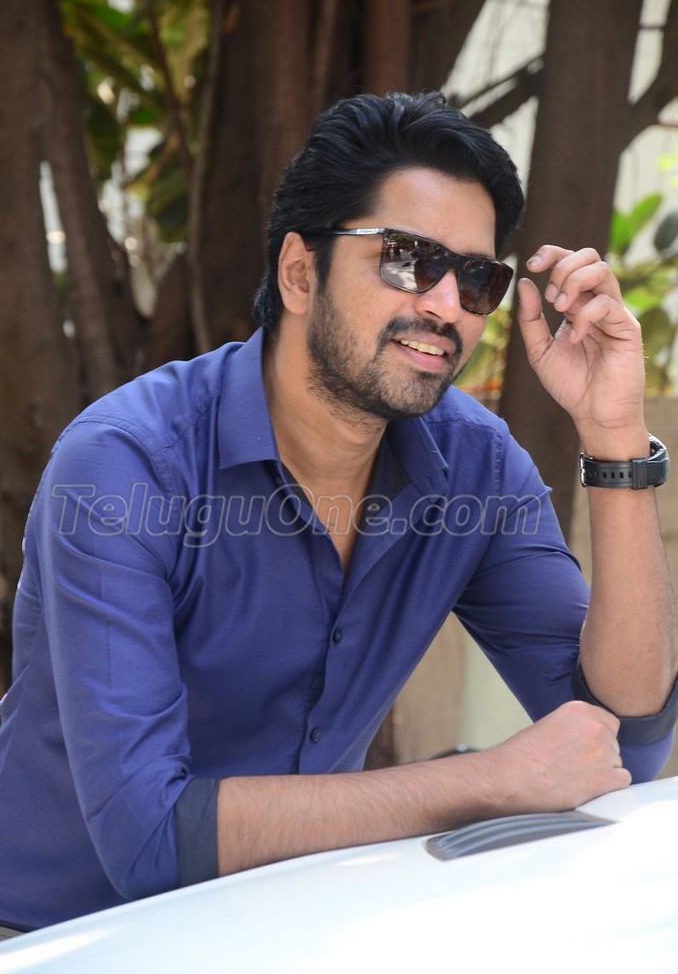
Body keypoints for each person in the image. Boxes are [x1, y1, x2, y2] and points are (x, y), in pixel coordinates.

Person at [1, 90, 677, 935]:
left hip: (296, 927)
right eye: (407, 259)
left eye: (476, 279)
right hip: (57, 940)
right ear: (298, 271)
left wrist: (614, 438)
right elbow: (149, 840)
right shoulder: (126, 465)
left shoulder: (473, 466)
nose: (445, 305)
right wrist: (487, 780)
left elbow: (627, 740)